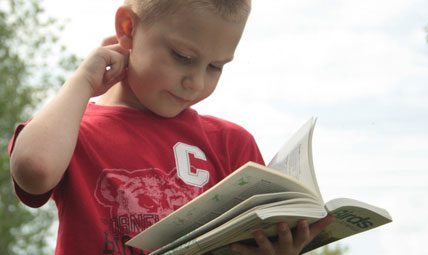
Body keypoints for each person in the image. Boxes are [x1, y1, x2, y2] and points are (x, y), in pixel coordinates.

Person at [8, 0, 333, 254]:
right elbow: (34, 169)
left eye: (215, 67)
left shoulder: (231, 145)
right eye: (182, 56)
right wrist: (85, 79)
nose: (196, 82)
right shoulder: (73, 129)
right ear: (127, 28)